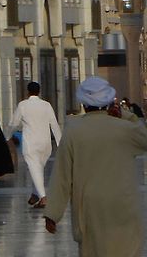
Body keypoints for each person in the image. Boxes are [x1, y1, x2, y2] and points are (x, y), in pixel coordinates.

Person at [44, 77, 147, 256]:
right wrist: (126, 115)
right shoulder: (124, 129)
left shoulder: (74, 130)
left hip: (90, 208)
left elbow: (62, 176)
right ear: (109, 102)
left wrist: (53, 213)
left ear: (83, 103)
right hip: (123, 204)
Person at [7, 81, 62, 208]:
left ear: (28, 91)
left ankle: (43, 197)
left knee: (34, 168)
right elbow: (54, 124)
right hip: (45, 143)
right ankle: (35, 194)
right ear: (39, 91)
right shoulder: (46, 105)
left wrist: (7, 136)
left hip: (31, 143)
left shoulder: (23, 105)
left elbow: (14, 123)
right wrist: (60, 143)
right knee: (38, 169)